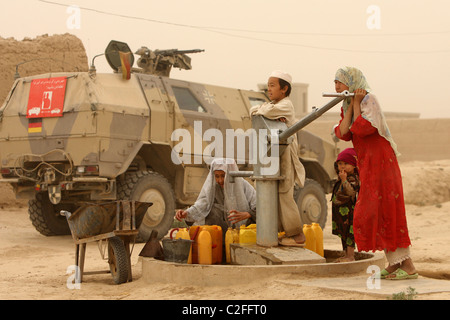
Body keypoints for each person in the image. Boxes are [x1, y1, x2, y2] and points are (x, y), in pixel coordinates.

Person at [333, 66, 418, 279]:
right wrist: (351, 106)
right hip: (368, 164)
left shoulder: (370, 100)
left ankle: (406, 266)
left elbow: (364, 128)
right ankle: (397, 262)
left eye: (340, 81)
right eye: (335, 81)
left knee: (387, 209)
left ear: (352, 82)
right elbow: (343, 132)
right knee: (376, 213)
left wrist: (357, 106)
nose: (336, 86)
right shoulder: (347, 105)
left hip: (382, 163)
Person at [249, 70, 306, 247]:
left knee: (285, 194)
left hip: (286, 155)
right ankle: (285, 232)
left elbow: (259, 111)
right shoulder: (274, 105)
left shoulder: (286, 105)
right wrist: (265, 110)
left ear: (284, 89)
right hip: (275, 156)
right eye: (268, 86)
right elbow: (253, 110)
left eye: (273, 85)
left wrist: (264, 110)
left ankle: (297, 235)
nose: (269, 89)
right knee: (276, 194)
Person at [175, 158, 256, 235]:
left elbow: (260, 206)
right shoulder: (213, 188)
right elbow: (202, 204)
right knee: (212, 210)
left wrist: (248, 214)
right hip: (221, 232)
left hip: (244, 231)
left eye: (223, 176)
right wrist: (187, 213)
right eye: (217, 176)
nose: (220, 180)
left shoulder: (243, 185)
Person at [331, 148, 360, 262]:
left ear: (354, 166)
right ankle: (345, 254)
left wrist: (344, 181)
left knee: (349, 234)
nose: (342, 166)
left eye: (346, 164)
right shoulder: (341, 177)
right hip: (340, 213)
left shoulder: (353, 179)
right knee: (343, 233)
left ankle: (350, 256)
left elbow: (350, 192)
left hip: (349, 213)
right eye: (340, 164)